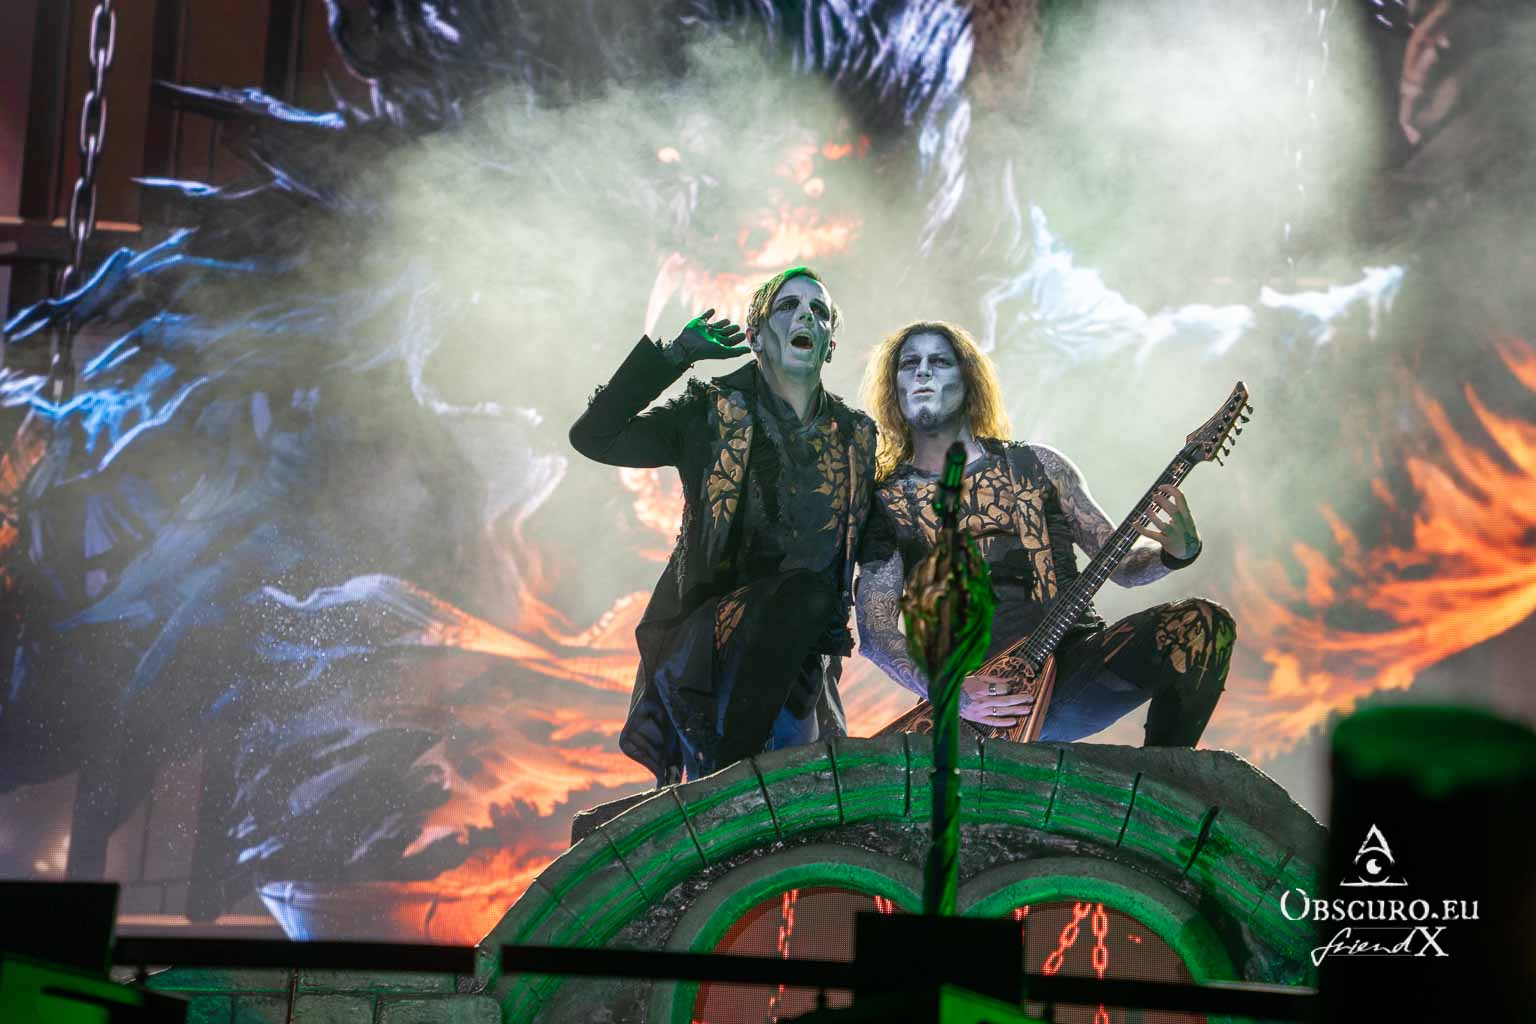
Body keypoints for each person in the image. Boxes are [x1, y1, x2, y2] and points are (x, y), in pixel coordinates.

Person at [855, 320, 1235, 745]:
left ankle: (1165, 777)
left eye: (939, 361)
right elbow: (876, 631)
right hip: (976, 703)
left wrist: (1176, 553)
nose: (923, 371)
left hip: (1074, 669)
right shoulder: (888, 504)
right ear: (895, 386)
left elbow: (1124, 567)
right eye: (910, 363)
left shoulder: (1041, 466)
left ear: (968, 378)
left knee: (1203, 624)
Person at [570, 267, 878, 783]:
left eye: (819, 311)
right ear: (755, 338)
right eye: (788, 306)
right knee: (802, 596)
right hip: (711, 647)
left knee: (798, 791)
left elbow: (868, 541)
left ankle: (737, 785)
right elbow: (595, 437)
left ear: (830, 346)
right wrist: (675, 356)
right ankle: (728, 780)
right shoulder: (709, 412)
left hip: (803, 660)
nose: (806, 316)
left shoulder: (857, 438)